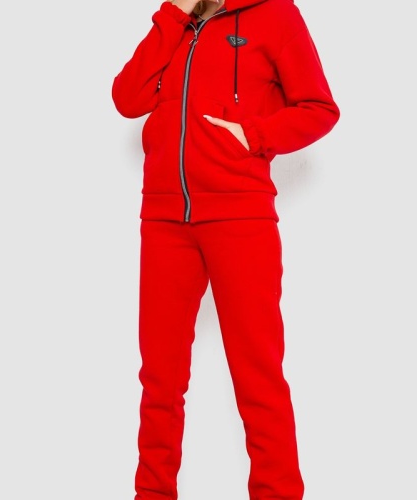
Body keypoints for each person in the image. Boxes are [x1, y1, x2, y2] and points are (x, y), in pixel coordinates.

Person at [111, 0, 340, 498]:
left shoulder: (276, 15)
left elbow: (320, 109)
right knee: (160, 380)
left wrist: (253, 135)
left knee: (258, 378)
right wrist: (173, 13)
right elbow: (127, 98)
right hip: (164, 220)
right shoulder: (179, 23)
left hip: (241, 219)